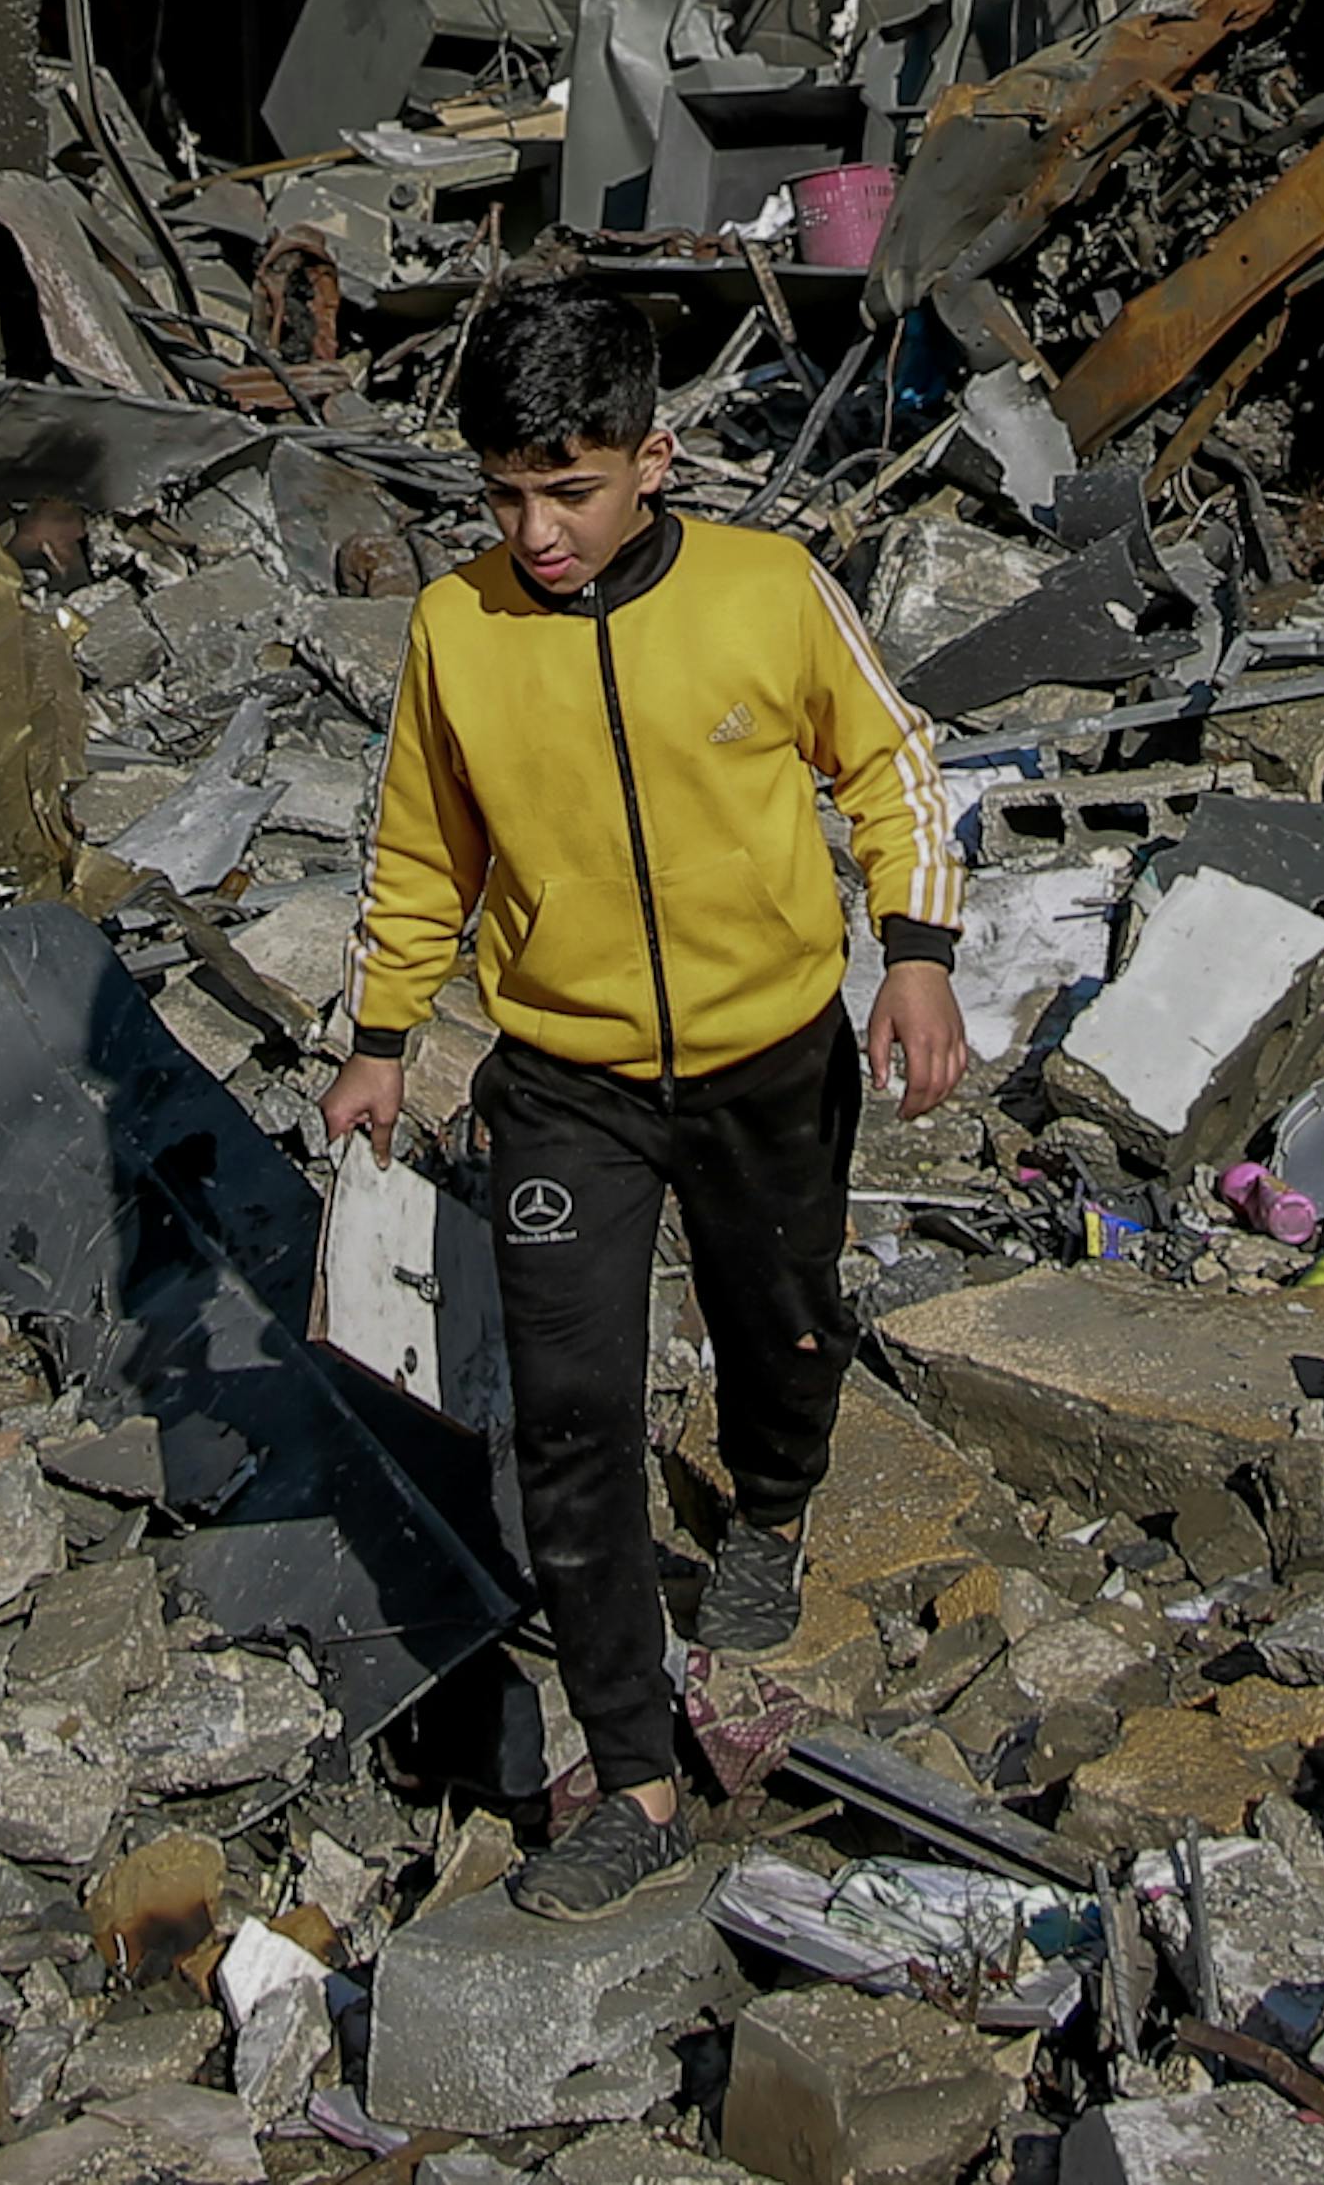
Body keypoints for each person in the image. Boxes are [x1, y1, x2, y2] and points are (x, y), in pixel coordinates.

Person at [328, 273, 972, 1915]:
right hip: (567, 1086)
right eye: (504, 496)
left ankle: (773, 1504)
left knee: (784, 1317)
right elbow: (423, 852)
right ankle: (633, 1773)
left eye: (572, 488)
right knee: (567, 1417)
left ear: (656, 457)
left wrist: (916, 953)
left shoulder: (769, 593)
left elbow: (891, 763)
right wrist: (382, 1039)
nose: (536, 531)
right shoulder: (456, 632)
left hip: (771, 1055)